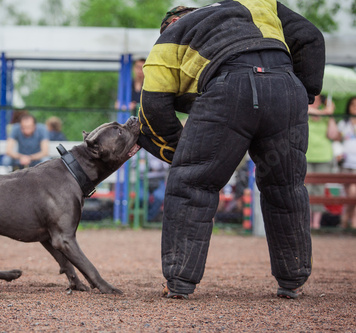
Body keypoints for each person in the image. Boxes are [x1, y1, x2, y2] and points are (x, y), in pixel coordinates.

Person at [137, 2, 325, 299]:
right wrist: (305, 92)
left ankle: (180, 283)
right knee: (285, 186)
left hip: (229, 89)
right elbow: (310, 37)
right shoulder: (256, 4)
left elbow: (153, 111)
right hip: (287, 89)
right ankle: (293, 281)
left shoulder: (169, 37)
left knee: (192, 184)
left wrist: (179, 154)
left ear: (172, 21)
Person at [306, 95, 338, 229]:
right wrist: (325, 112)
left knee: (319, 190)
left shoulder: (326, 115)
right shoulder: (305, 111)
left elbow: (333, 135)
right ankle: (306, 222)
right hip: (306, 155)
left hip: (323, 156)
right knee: (305, 189)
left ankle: (316, 223)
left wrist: (330, 116)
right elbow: (306, 109)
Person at [336, 96, 356, 229]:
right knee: (351, 194)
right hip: (346, 163)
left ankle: (347, 220)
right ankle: (350, 221)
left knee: (353, 194)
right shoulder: (343, 123)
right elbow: (337, 140)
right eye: (353, 104)